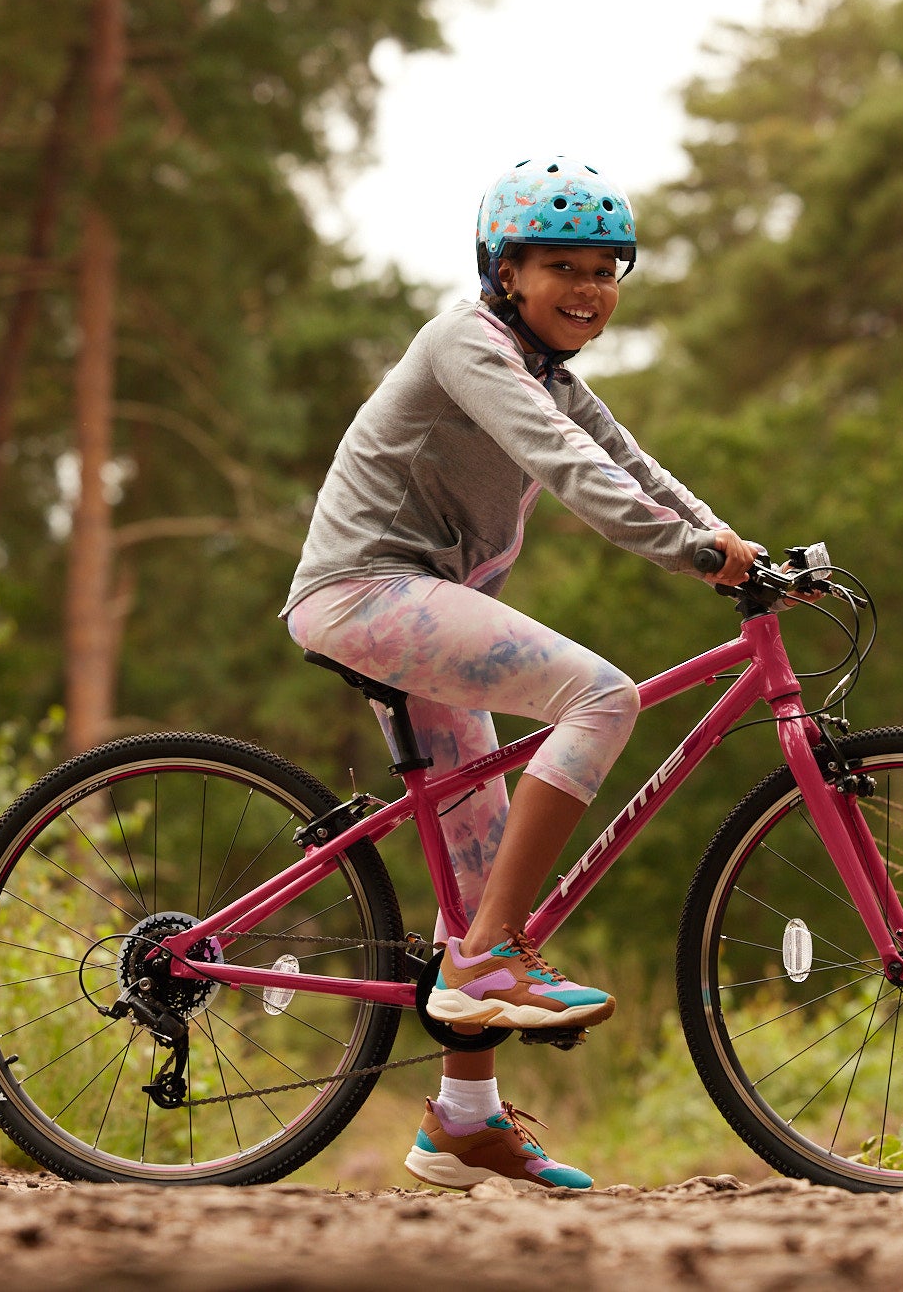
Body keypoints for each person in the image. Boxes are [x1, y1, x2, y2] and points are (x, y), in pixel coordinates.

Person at [281, 156, 760, 1191]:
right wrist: (688, 555)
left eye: (605, 270)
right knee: (602, 693)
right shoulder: (468, 343)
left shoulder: (553, 373)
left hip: (420, 608)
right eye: (560, 268)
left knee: (483, 863)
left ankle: (461, 1116)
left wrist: (732, 543)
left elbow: (629, 462)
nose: (587, 290)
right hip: (366, 592)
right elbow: (568, 469)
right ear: (506, 274)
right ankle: (489, 956)